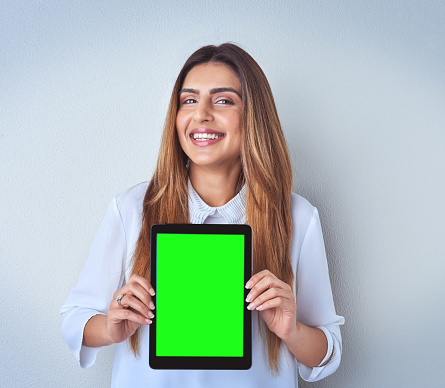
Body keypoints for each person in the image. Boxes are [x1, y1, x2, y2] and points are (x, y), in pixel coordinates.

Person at [60, 43, 344, 387]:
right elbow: (75, 320)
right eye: (189, 100)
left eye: (223, 100)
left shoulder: (296, 217)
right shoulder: (132, 208)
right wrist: (110, 326)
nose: (202, 114)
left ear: (254, 115)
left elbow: (328, 353)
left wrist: (292, 329)